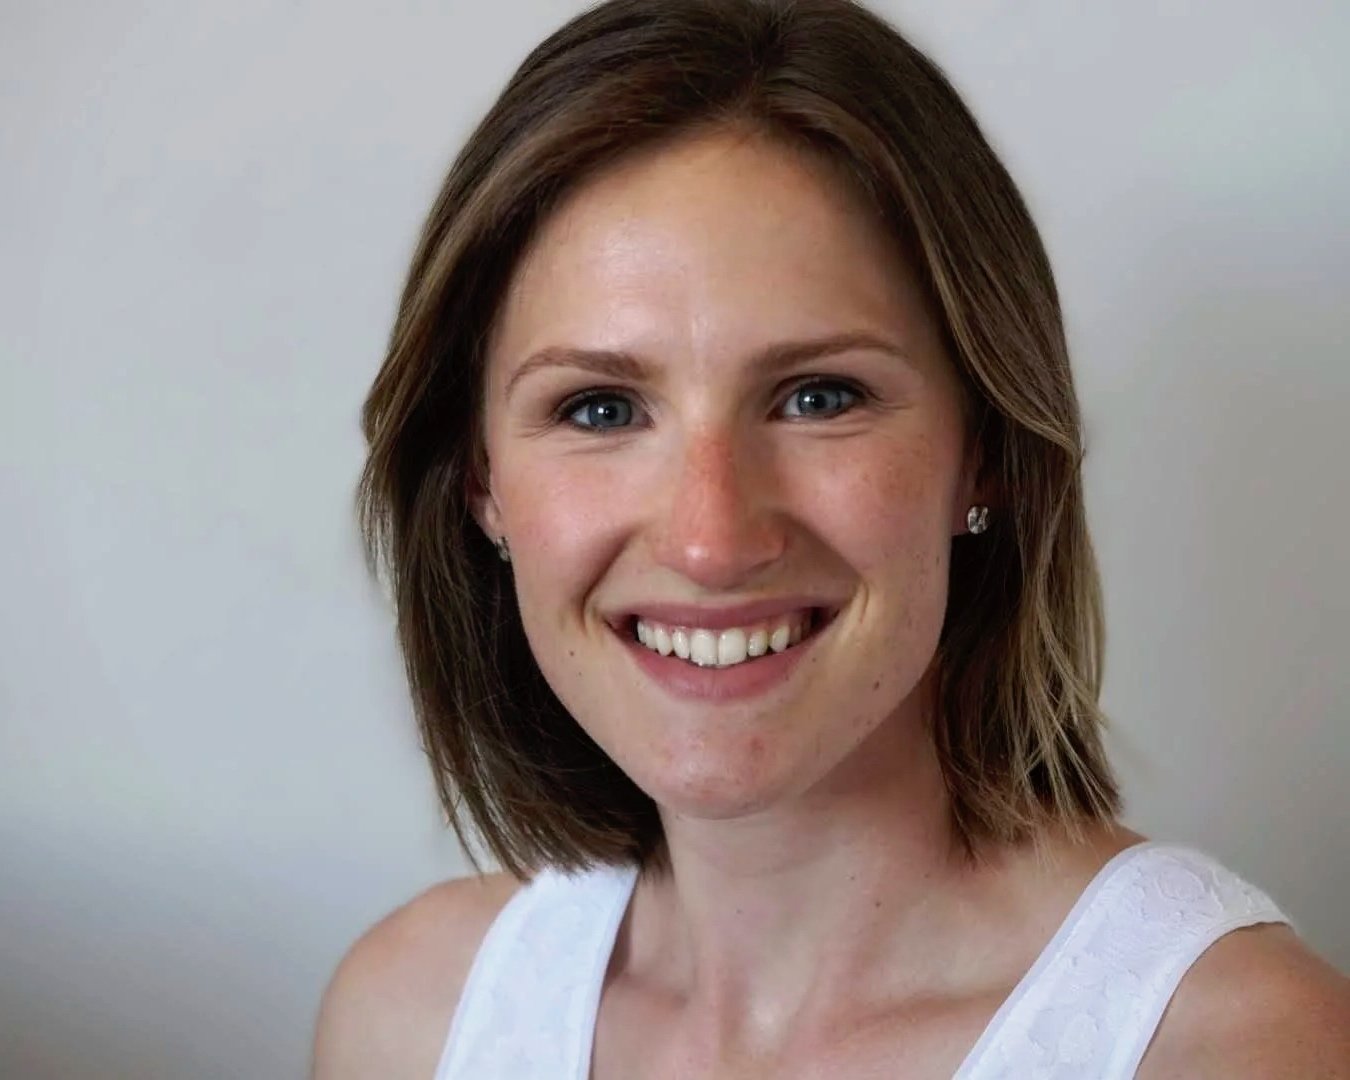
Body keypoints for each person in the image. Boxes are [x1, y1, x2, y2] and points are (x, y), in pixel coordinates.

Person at [312, 1, 1350, 1075]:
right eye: (601, 410)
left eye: (817, 397)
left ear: (984, 449)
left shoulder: (1243, 1048)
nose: (712, 540)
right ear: (481, 482)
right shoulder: (409, 1019)